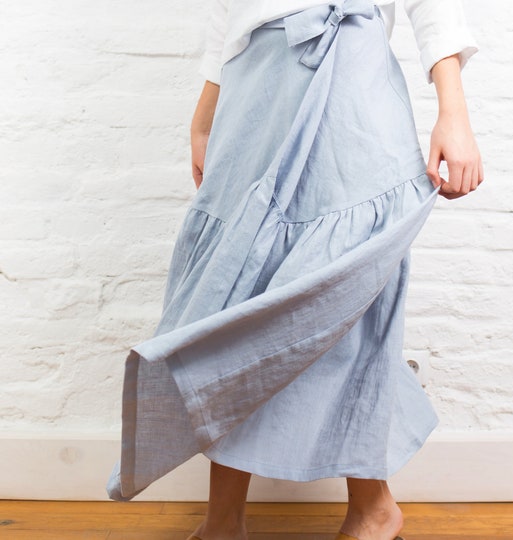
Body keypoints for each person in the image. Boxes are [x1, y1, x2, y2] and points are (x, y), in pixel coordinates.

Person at [107, 1, 483, 539]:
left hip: (353, 78)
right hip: (254, 87)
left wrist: (454, 112)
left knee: (348, 294)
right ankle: (223, 518)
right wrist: (204, 115)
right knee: (236, 294)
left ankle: (372, 507)